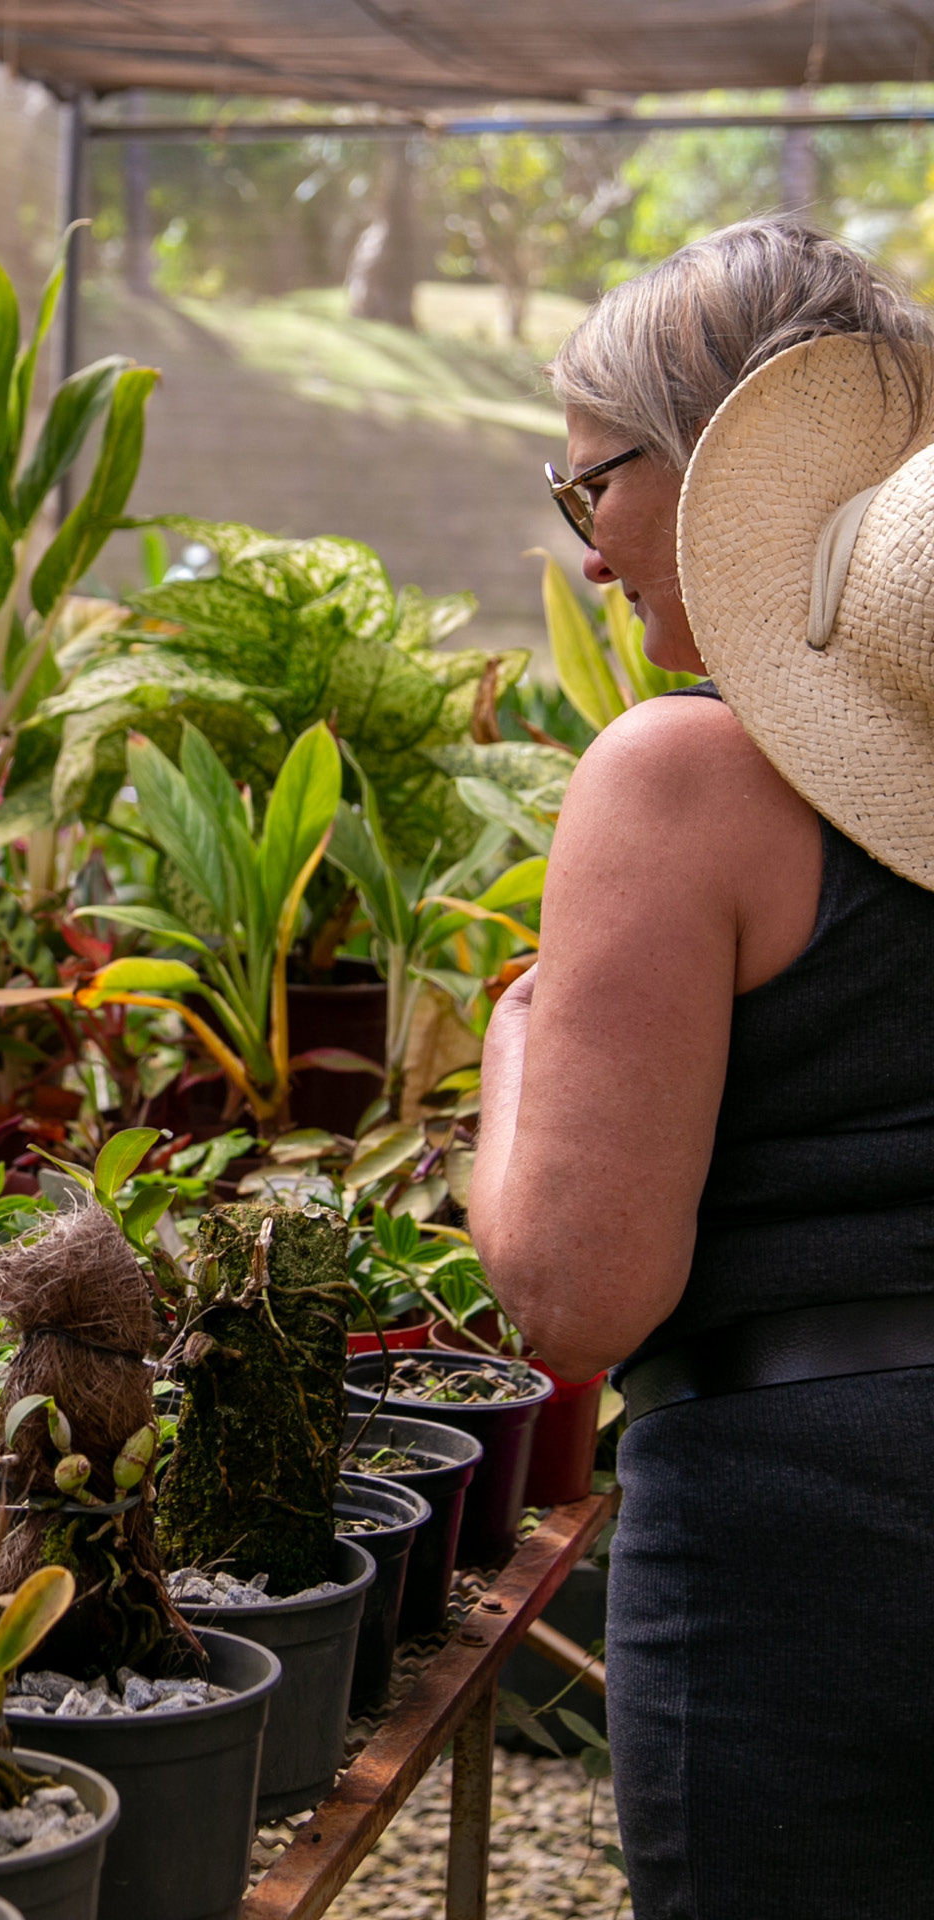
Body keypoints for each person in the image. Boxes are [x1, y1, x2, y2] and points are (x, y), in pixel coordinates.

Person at [467, 218, 934, 1919]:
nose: (590, 552)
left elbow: (574, 1295)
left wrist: (514, 1055)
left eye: (592, 486)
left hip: (817, 1547)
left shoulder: (684, 783)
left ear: (724, 460)